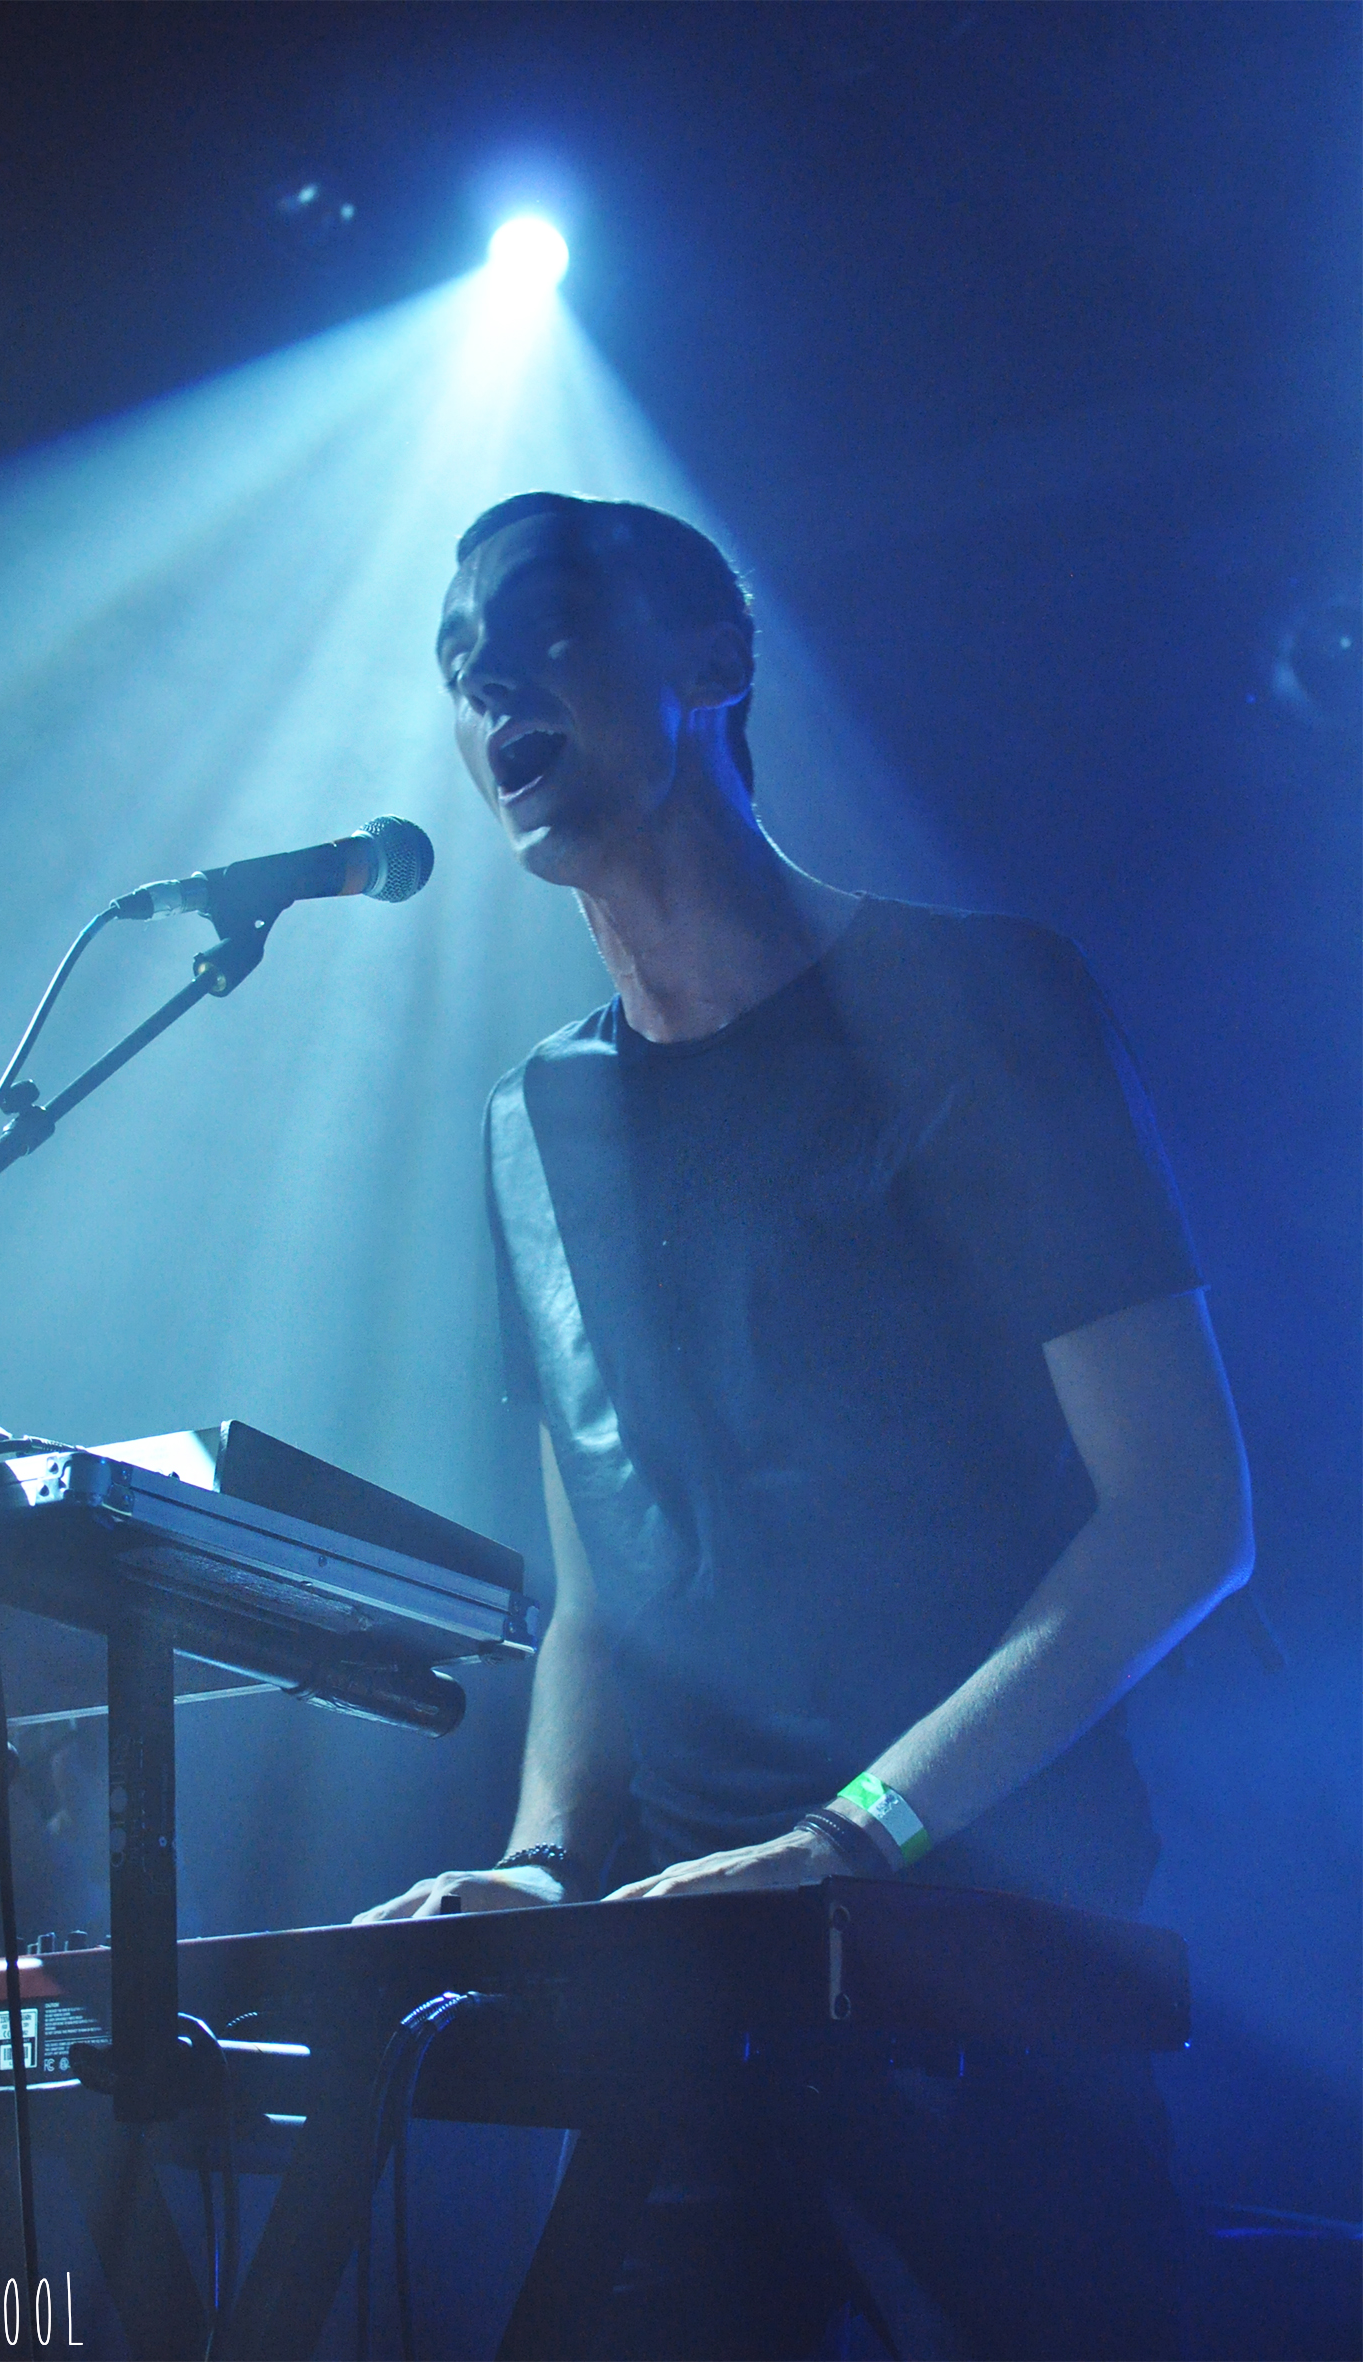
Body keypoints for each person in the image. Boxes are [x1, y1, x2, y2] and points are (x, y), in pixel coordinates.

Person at [358, 492, 1253, 2359]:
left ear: (716, 659)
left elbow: (1181, 1510)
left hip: (1001, 1967)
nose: (491, 678)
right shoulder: (530, 1121)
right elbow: (604, 1585)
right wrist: (543, 1854)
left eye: (542, 625)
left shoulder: (970, 1001)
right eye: (457, 660)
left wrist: (855, 1835)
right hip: (692, 1977)